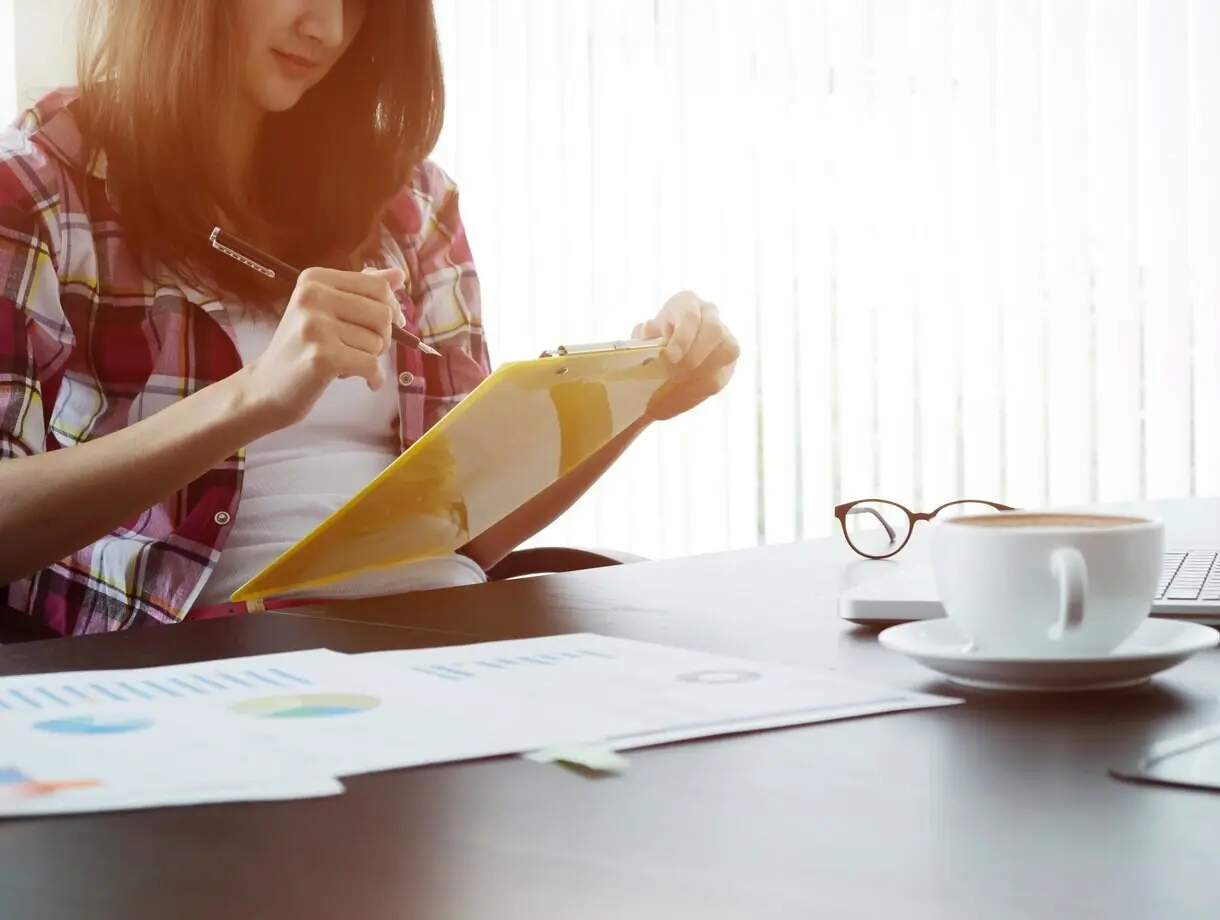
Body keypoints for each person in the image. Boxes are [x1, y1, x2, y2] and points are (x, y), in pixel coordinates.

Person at [0, 0, 738, 636]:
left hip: (445, 632)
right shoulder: (38, 187)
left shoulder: (411, 202)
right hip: (214, 664)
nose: (327, 27)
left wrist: (639, 401)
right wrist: (253, 398)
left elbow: (468, 535)